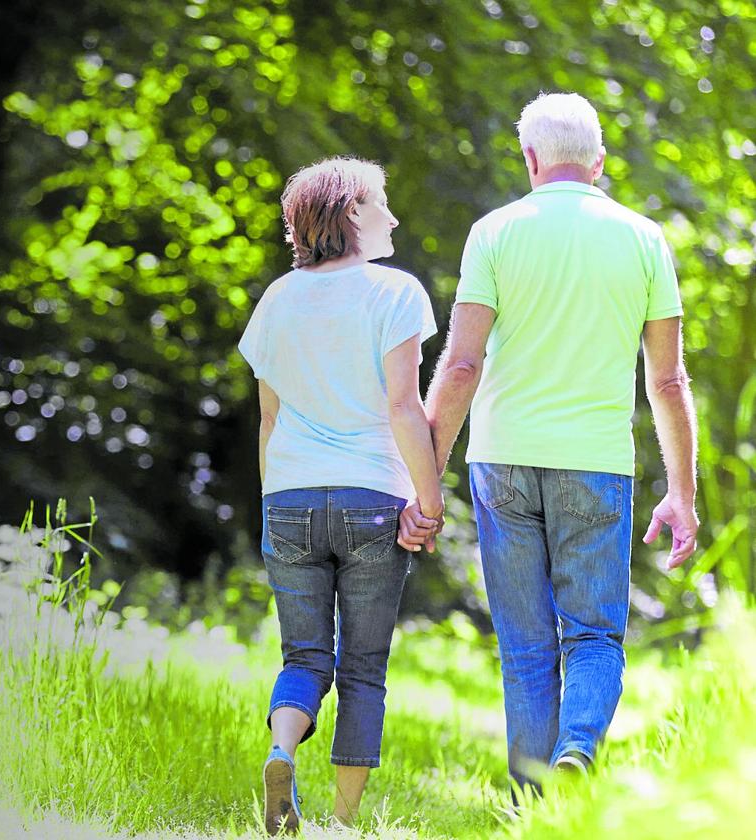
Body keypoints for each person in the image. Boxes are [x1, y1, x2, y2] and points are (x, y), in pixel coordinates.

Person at [414, 91, 699, 795]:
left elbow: (457, 365)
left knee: (525, 647)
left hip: (502, 462)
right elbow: (666, 382)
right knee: (594, 637)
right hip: (596, 466)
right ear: (597, 164)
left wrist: (419, 477)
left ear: (530, 158)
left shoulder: (494, 231)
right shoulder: (642, 239)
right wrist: (681, 494)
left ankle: (529, 799)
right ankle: (576, 749)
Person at [238, 156, 442, 835]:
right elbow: (403, 408)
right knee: (362, 667)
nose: (393, 216)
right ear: (352, 212)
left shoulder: (276, 299)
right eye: (381, 202)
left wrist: (272, 509)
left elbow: (268, 420)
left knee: (302, 658)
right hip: (370, 499)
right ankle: (343, 820)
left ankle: (279, 750)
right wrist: (429, 501)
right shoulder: (394, 292)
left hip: (289, 496)